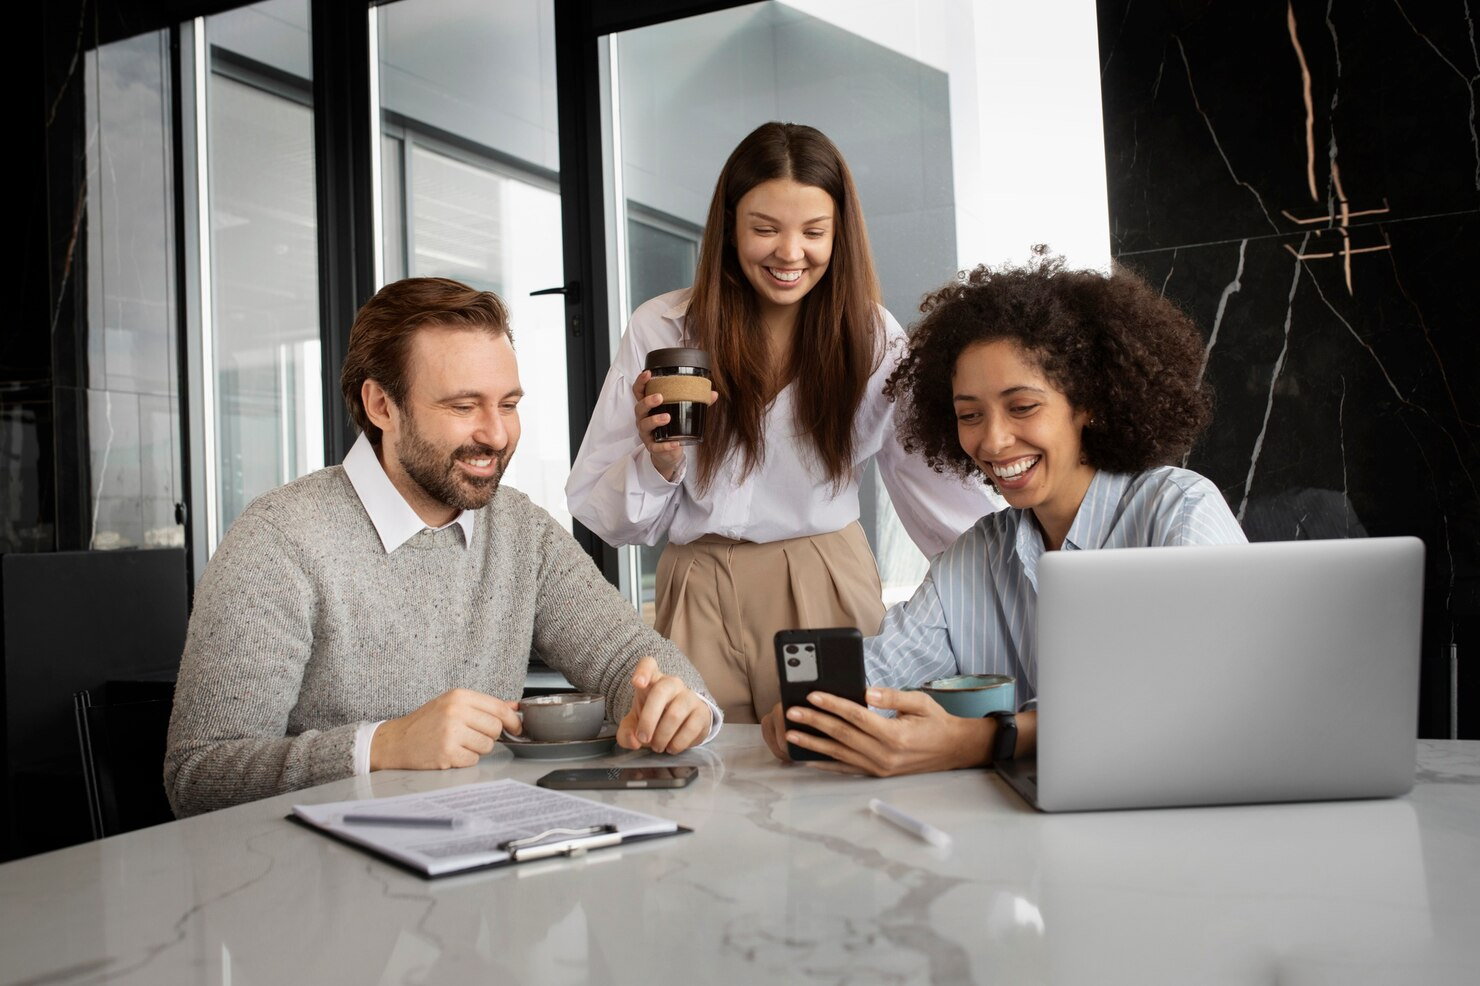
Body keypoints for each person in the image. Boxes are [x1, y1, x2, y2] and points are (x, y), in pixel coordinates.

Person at [165, 277, 720, 817]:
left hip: (476, 871)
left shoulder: (520, 530)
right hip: (317, 888)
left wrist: (678, 703)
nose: (497, 435)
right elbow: (197, 775)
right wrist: (381, 747)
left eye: (508, 404)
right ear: (382, 405)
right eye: (463, 407)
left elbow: (629, 657)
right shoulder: (279, 540)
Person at [565, 122, 995, 724]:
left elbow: (935, 489)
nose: (790, 254)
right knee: (699, 775)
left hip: (823, 579)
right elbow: (601, 512)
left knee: (835, 768)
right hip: (696, 587)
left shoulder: (871, 337)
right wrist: (659, 460)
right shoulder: (662, 328)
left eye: (814, 232)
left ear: (839, 234)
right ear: (729, 227)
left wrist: (1023, 567)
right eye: (765, 229)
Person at [761, 252, 1248, 775]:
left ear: (1090, 403)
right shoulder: (979, 552)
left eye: (1022, 407)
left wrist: (982, 739)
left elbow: (1203, 697)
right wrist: (820, 714)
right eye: (969, 415)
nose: (992, 440)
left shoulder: (1180, 511)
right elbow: (881, 674)